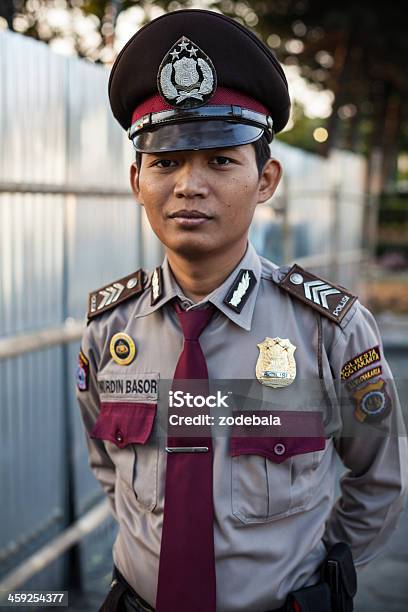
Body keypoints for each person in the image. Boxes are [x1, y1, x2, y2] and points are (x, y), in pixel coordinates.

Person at [76, 9, 408, 612]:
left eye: (221, 161)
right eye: (166, 162)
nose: (188, 185)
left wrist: (316, 579)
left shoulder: (327, 331)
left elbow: (379, 478)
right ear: (136, 180)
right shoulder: (109, 328)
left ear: (266, 179)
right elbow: (108, 465)